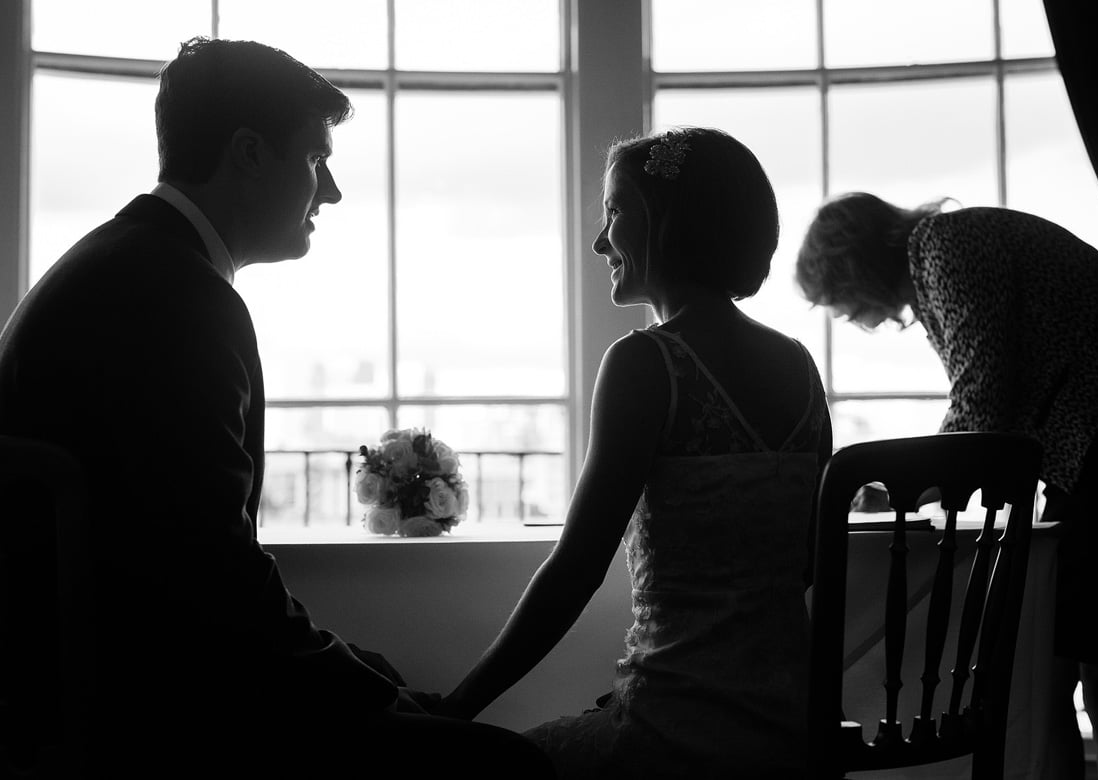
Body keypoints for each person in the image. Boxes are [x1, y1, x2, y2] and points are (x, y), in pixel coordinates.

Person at [0, 36, 553, 778]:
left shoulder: (124, 265)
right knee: (510, 765)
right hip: (154, 714)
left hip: (83, 682)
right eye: (316, 159)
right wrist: (360, 688)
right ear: (250, 153)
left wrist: (357, 672)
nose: (330, 191)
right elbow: (211, 578)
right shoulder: (179, 299)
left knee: (386, 676)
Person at [437, 127, 833, 779]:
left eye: (615, 212)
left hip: (673, 737)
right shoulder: (796, 364)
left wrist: (457, 707)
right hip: (789, 734)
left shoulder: (646, 362)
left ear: (662, 221)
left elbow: (576, 570)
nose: (600, 240)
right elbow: (808, 559)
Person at [794, 191, 1098, 780]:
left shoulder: (944, 248)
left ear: (851, 265)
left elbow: (983, 395)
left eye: (838, 301)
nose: (847, 318)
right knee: (1076, 669)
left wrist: (901, 493)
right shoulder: (941, 257)